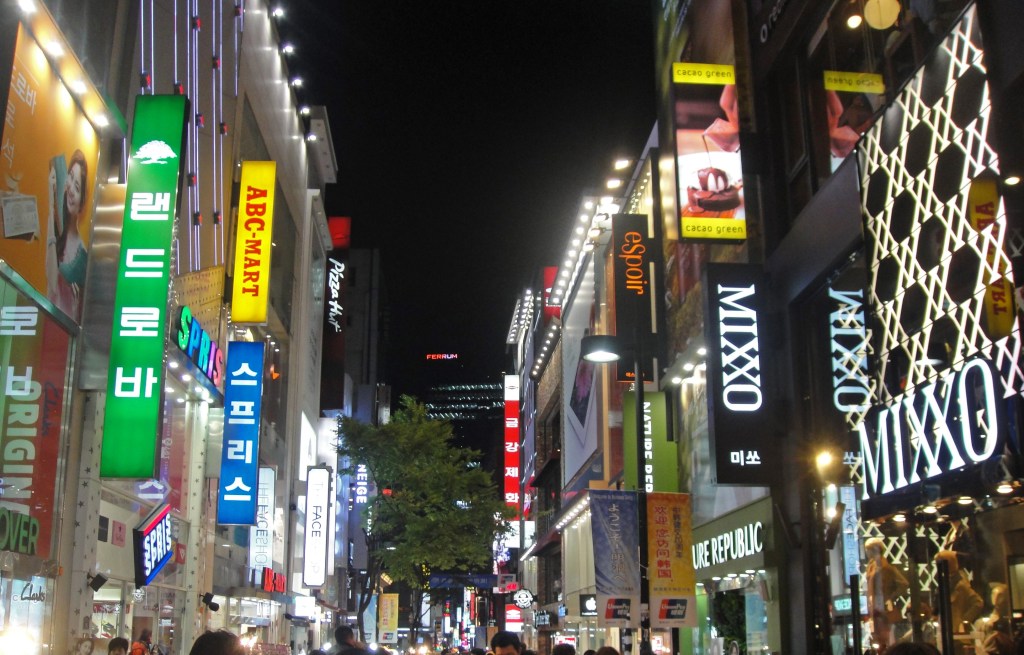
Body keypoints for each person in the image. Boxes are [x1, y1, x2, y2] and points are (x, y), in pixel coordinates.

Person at [45, 149, 89, 321]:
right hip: (44, 322)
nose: (70, 188)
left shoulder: (82, 257)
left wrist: (50, 203)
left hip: (62, 336)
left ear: (82, 204)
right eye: (70, 176)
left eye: (77, 187)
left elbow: (53, 283)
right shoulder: (57, 225)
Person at [865, 537, 910, 654]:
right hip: (874, 609)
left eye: (868, 549)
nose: (866, 552)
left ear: (875, 549)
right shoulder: (871, 566)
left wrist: (891, 597)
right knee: (877, 639)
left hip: (884, 610)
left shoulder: (886, 567)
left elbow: (904, 584)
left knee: (887, 638)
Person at [934, 550, 983, 633]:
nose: (937, 567)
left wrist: (963, 621)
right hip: (946, 629)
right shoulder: (947, 583)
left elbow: (978, 602)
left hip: (956, 631)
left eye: (938, 564)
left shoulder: (960, 585)